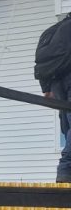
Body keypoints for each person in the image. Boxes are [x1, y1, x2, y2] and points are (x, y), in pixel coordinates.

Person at [34, 13, 71, 183]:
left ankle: (65, 171)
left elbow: (41, 61)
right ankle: (65, 169)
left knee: (67, 124)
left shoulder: (52, 31)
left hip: (56, 83)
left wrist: (46, 88)